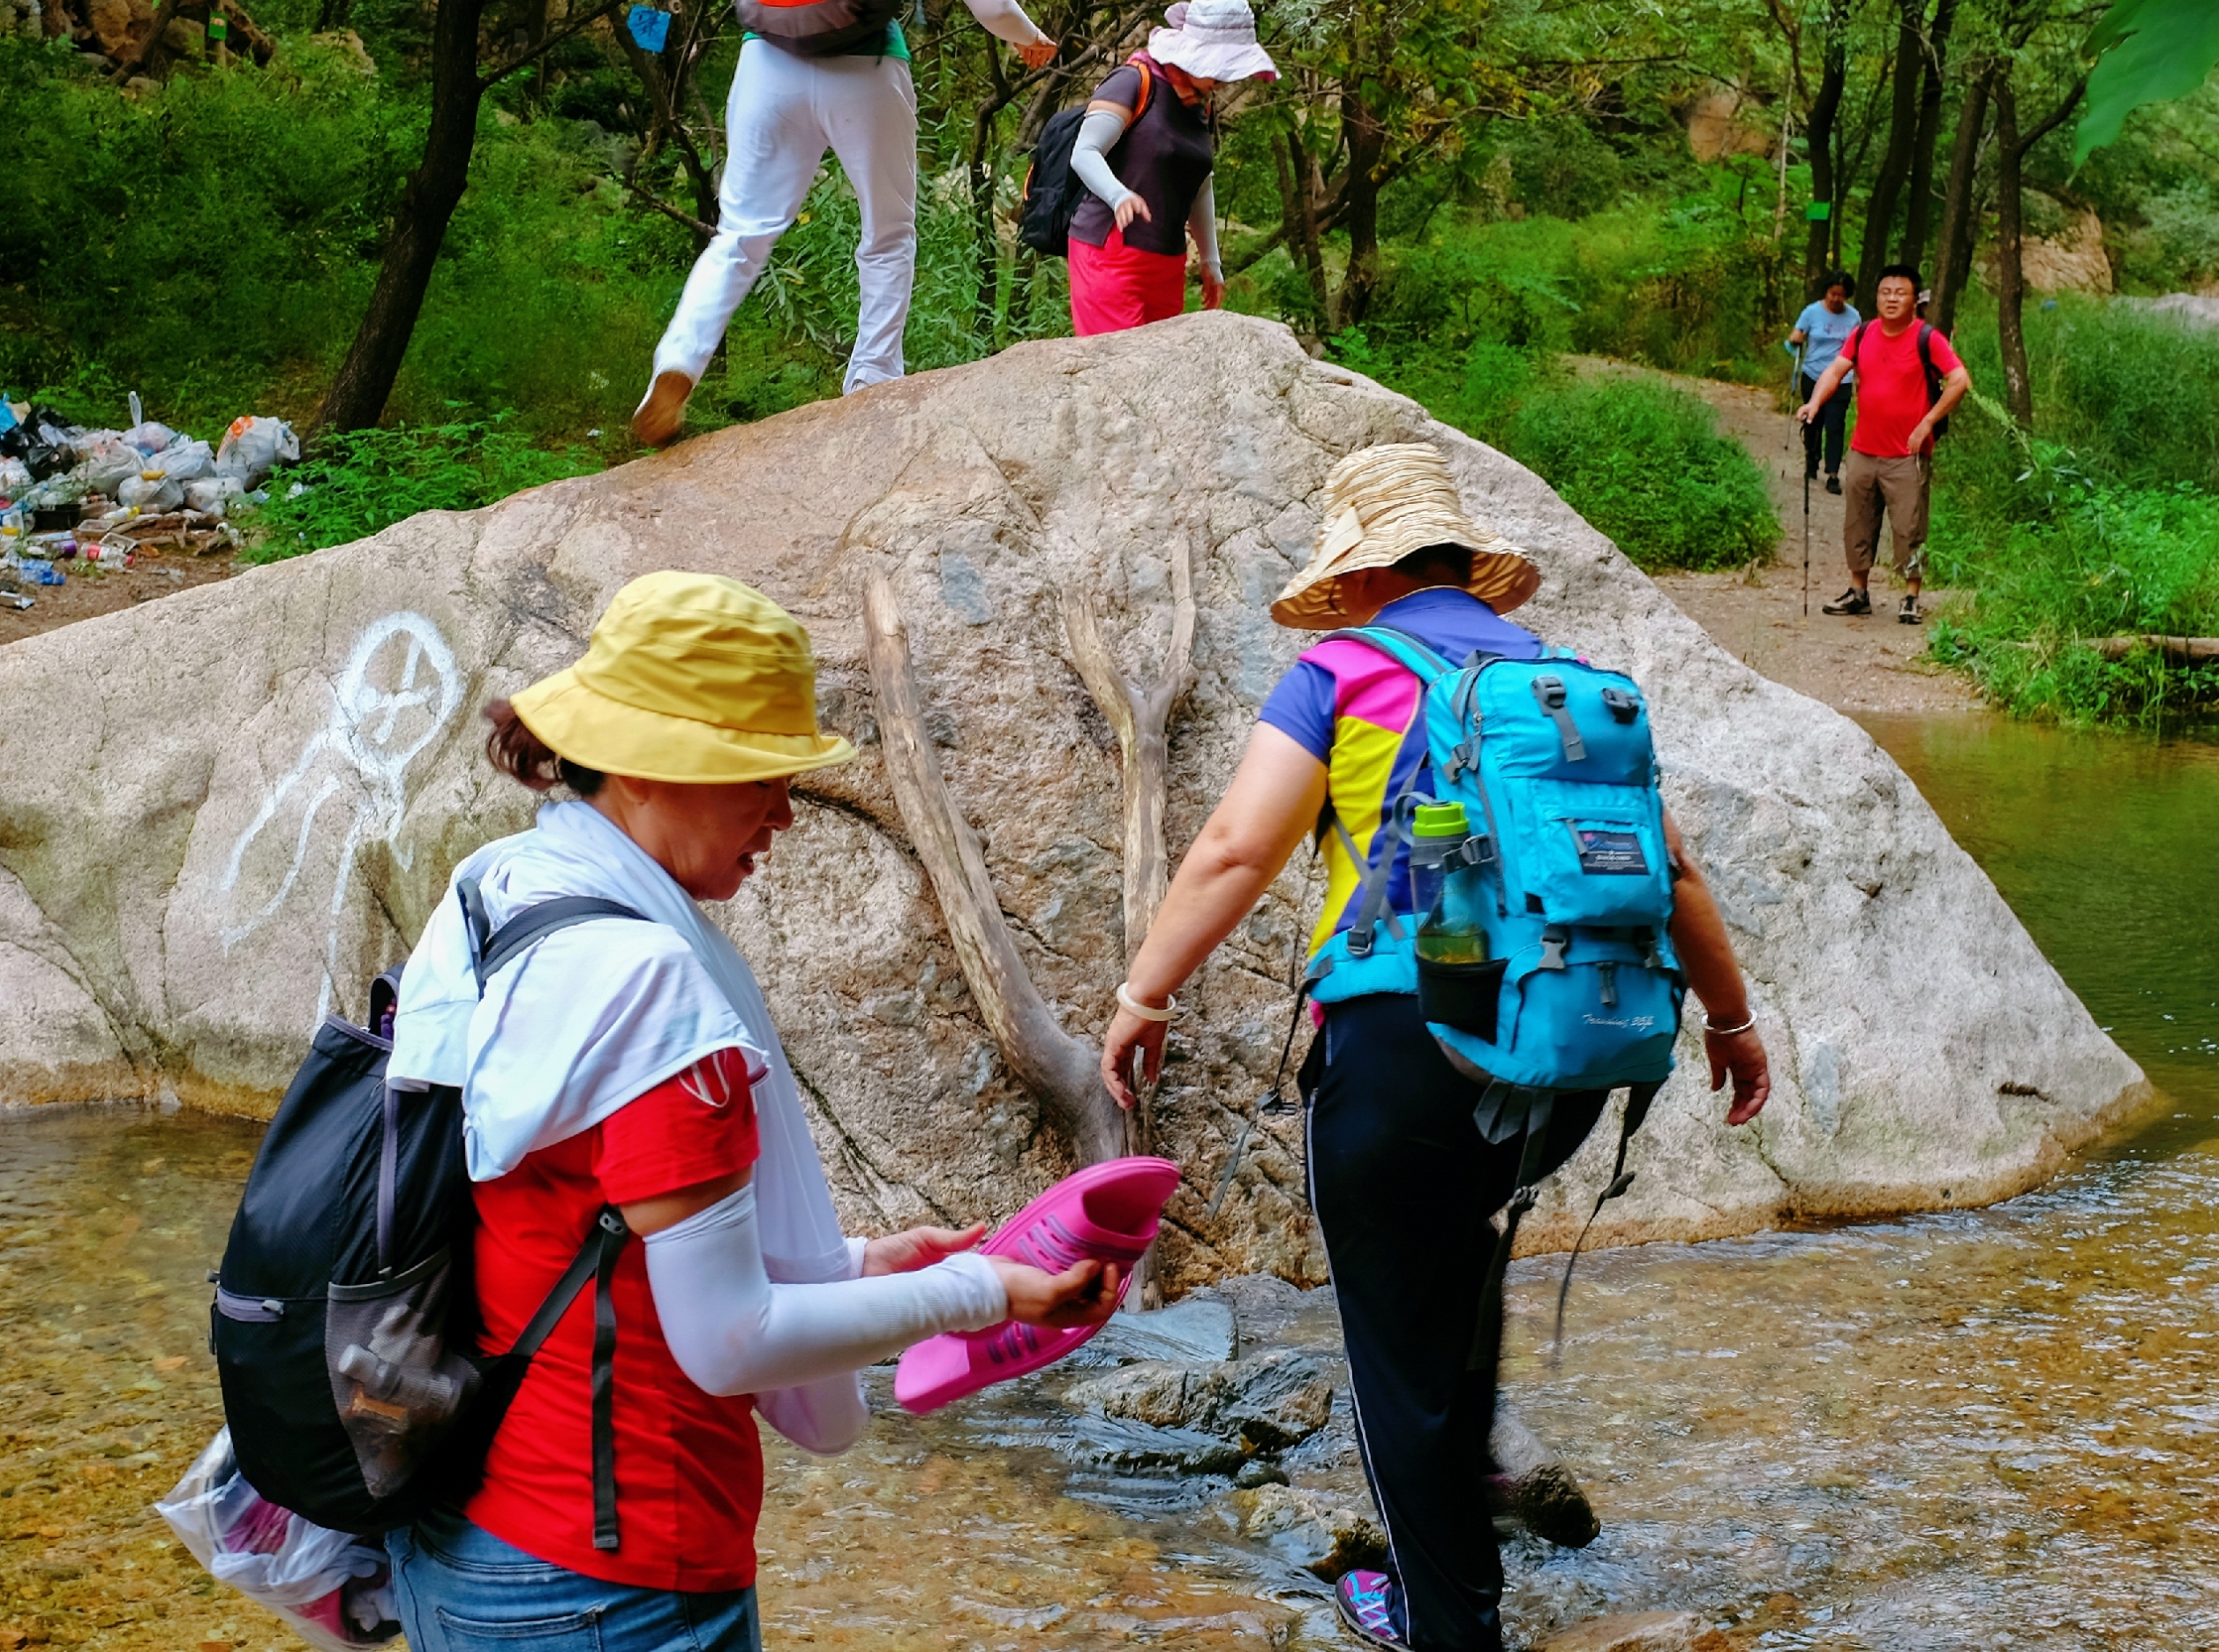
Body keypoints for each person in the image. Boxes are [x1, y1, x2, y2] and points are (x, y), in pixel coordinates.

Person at [1092, 446, 1773, 1652]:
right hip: (1561, 1061)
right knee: (1453, 1305)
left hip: (1407, 1050)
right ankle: (1457, 1570)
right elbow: (1672, 869)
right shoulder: (1562, 684)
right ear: (1467, 570)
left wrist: (1145, 994)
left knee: (1400, 1354)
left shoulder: (1340, 671)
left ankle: (1443, 1626)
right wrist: (1728, 1019)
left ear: (1356, 576)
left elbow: (1236, 852)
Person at [382, 571, 1119, 1650]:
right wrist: (982, 1292)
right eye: (755, 775)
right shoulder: (649, 989)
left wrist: (857, 1263)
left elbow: (587, 1223)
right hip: (607, 1578)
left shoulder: (506, 889)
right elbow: (732, 1342)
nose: (783, 811)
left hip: (460, 1538)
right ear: (640, 766)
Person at [608, 0, 1057, 445]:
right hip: (867, 73)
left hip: (767, 64)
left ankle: (677, 363)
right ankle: (872, 378)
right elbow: (988, 1)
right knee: (889, 229)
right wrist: (1030, 39)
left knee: (741, 232)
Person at [1064, 0, 1278, 336]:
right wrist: (1119, 196)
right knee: (1121, 372)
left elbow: (1199, 181)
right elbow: (1085, 153)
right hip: (1110, 255)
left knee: (1160, 375)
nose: (1224, 83)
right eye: (1221, 71)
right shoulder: (1134, 81)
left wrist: (1210, 261)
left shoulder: (1198, 102)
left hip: (1167, 261)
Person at [1796, 261, 1971, 625]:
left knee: (1909, 526)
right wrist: (1814, 403)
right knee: (1858, 523)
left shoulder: (1927, 338)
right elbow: (1835, 370)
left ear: (1913, 299)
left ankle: (1910, 597)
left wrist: (1927, 423)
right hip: (1863, 448)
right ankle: (1858, 592)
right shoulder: (1862, 333)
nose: (1892, 299)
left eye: (1900, 293)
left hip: (1907, 453)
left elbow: (1959, 380)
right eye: (1885, 292)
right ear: (1876, 297)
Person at [1786, 269, 1862, 493]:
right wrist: (1796, 338)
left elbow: (1857, 347)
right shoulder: (1811, 312)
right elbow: (1796, 336)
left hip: (1842, 377)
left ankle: (1833, 473)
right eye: (1833, 294)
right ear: (1826, 292)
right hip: (1813, 373)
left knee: (1836, 424)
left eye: (1841, 295)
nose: (1836, 299)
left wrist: (1858, 376)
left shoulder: (1854, 317)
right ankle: (1812, 458)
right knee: (1812, 421)